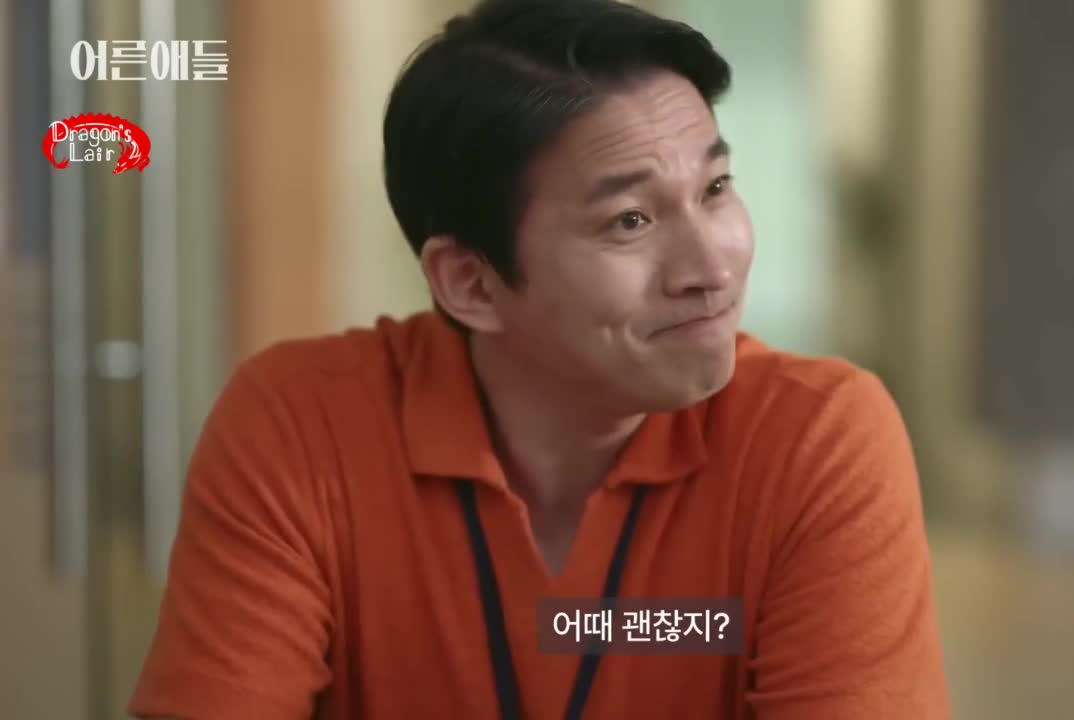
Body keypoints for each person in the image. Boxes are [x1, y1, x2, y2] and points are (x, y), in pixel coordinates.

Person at [128, 0, 949, 717]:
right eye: (630, 221)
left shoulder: (814, 438)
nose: (713, 266)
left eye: (715, 189)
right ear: (471, 283)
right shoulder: (303, 427)